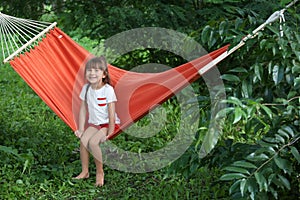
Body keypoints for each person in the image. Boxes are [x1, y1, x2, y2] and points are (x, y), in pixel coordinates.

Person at [73, 56, 120, 186]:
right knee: (83, 141)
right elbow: (82, 109)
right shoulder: (86, 88)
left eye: (96, 71)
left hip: (108, 124)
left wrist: (110, 133)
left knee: (93, 143)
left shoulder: (108, 90)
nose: (92, 73)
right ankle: (85, 171)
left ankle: (100, 172)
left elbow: (111, 112)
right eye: (89, 70)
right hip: (94, 124)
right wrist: (81, 129)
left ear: (104, 74)